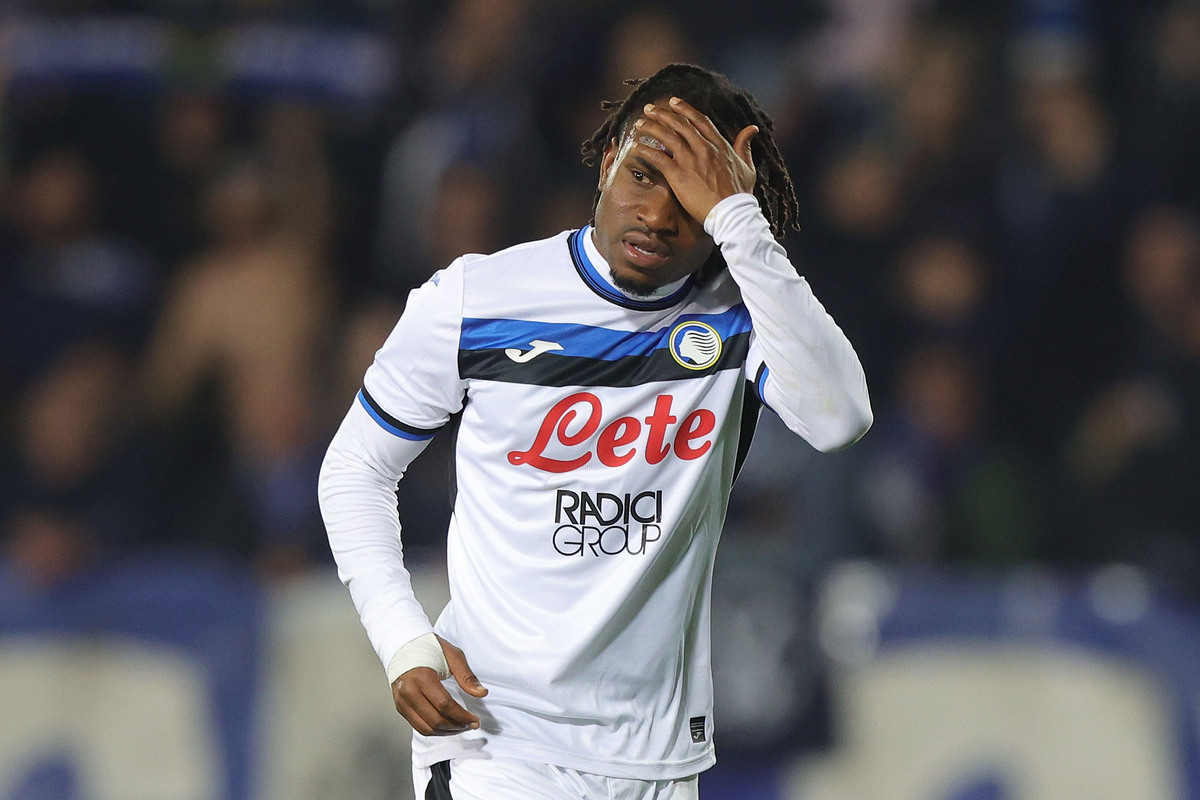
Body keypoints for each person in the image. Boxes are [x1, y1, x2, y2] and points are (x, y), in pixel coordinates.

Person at [318, 63, 872, 799]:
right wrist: (401, 639)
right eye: (644, 176)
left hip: (658, 761)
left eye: (690, 196)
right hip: (499, 744)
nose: (658, 215)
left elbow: (840, 418)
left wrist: (741, 224)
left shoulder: (744, 315)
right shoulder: (477, 300)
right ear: (608, 161)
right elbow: (355, 468)